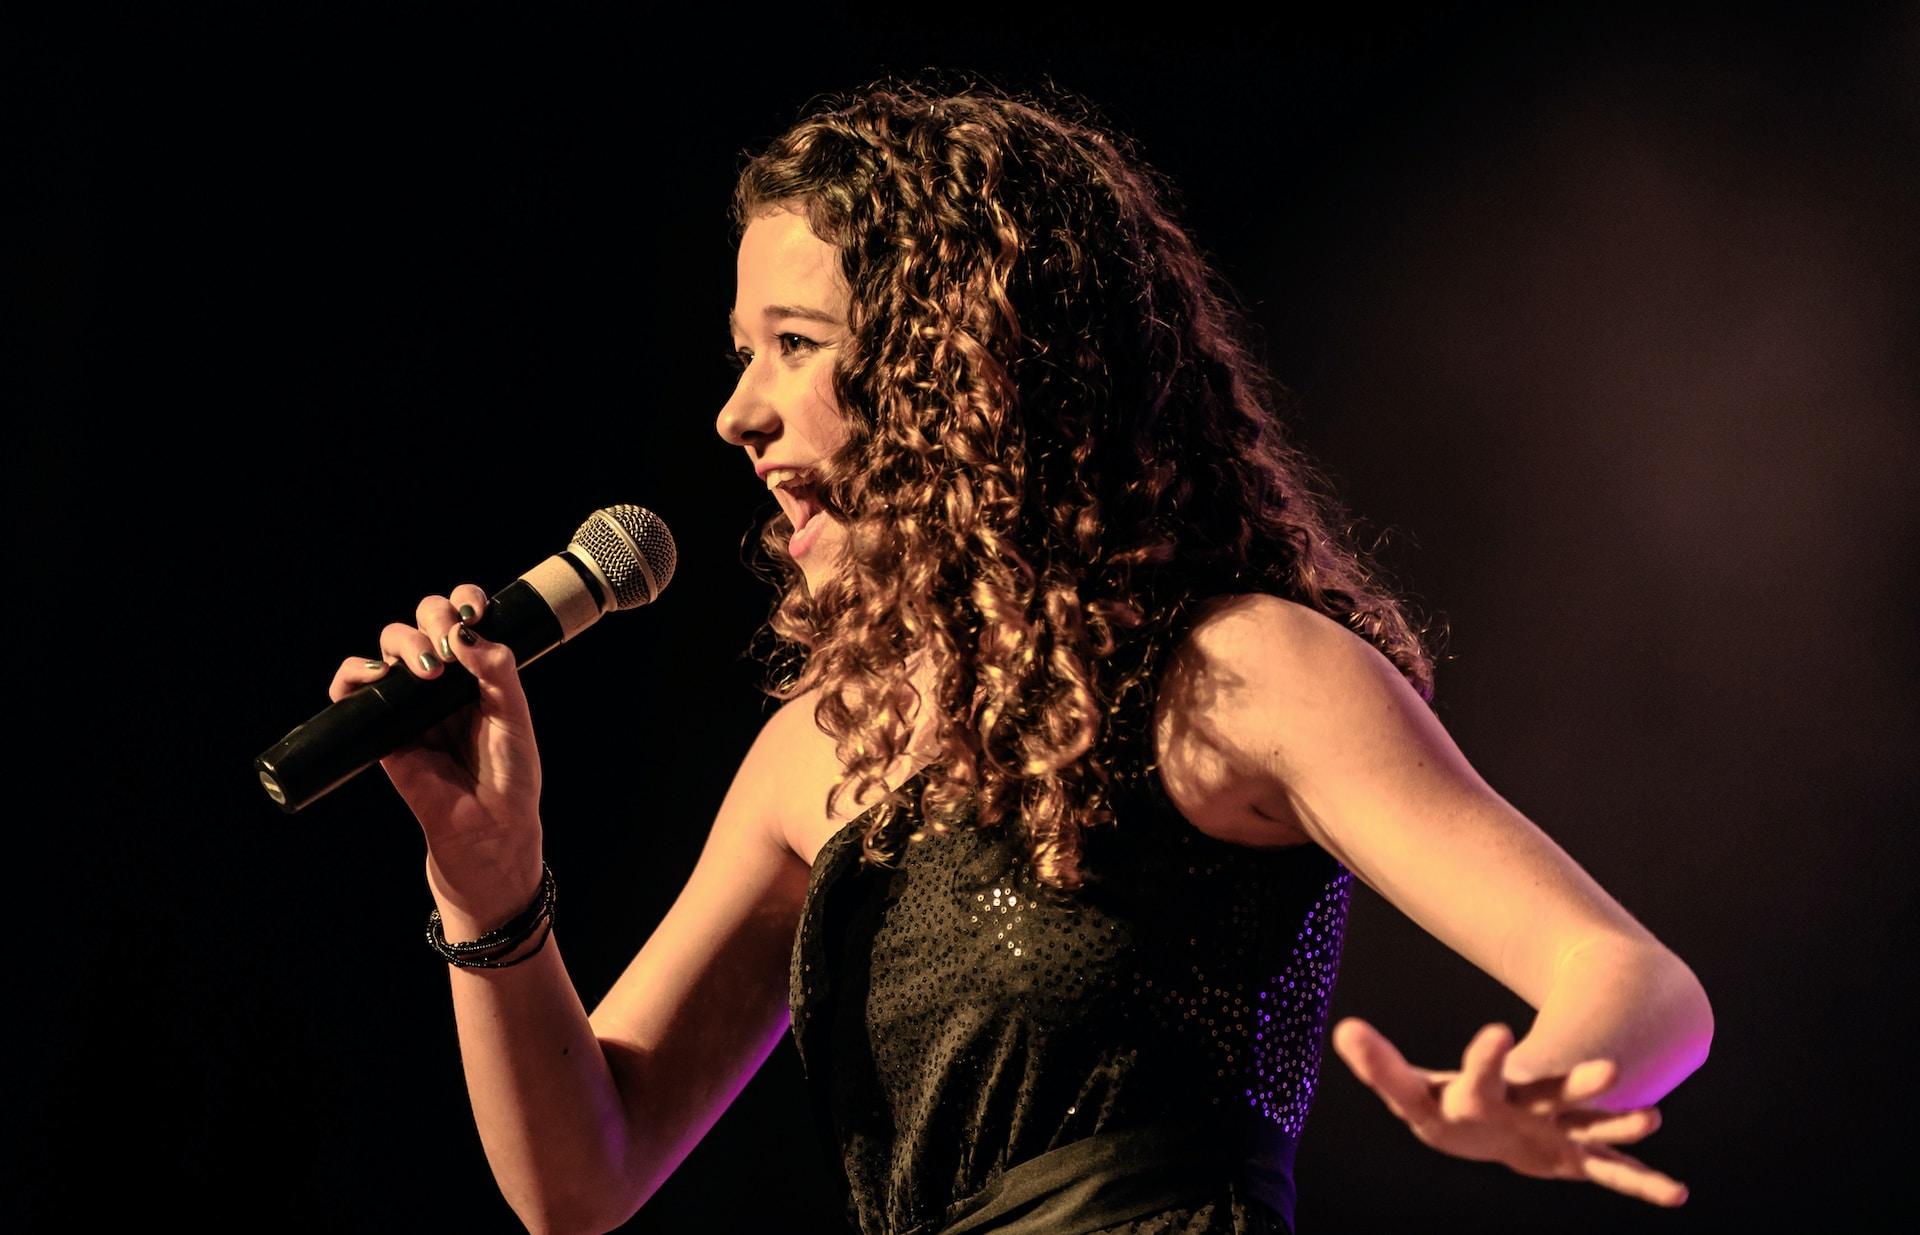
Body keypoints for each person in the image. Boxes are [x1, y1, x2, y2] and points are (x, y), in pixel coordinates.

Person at [328, 81, 1713, 1234]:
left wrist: (1542, 1082)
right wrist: (489, 884)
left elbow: (1637, 982)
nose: (736, 414)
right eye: (741, 352)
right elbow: (581, 1179)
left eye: (795, 347)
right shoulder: (823, 749)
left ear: (970, 363)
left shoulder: (1234, 671)